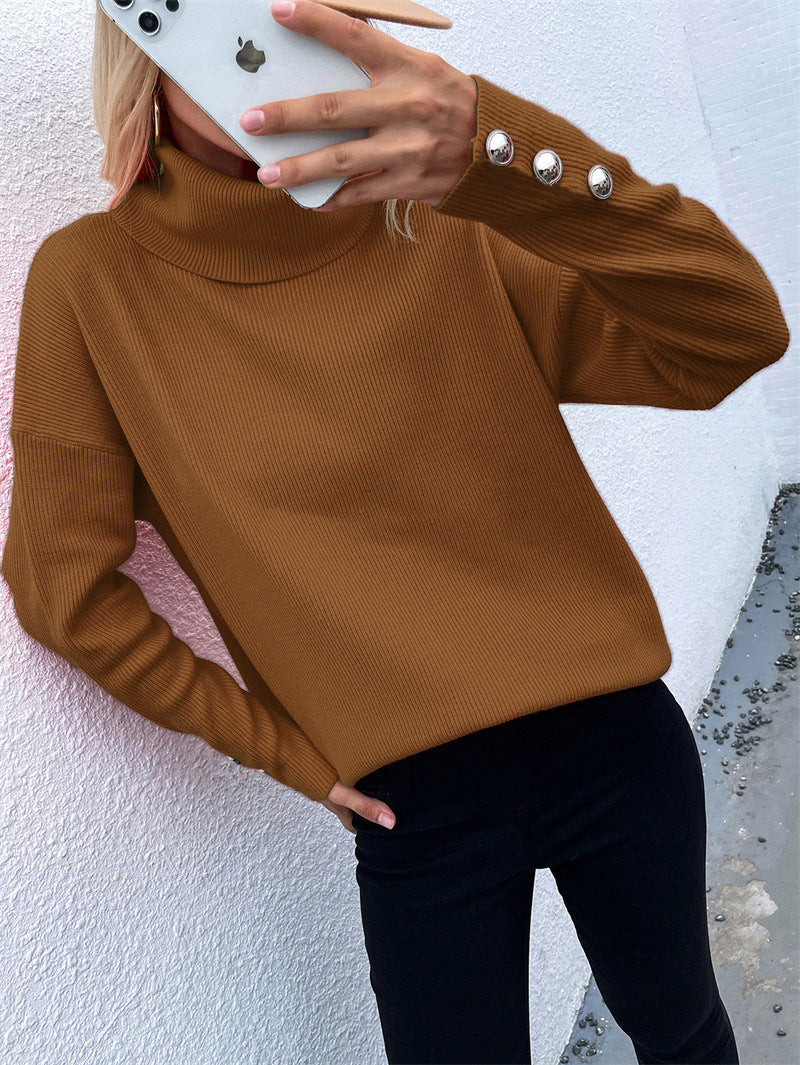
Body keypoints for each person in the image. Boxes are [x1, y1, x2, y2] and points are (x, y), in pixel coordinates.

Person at [3, 1, 789, 1062]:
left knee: (683, 1030)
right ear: (145, 55)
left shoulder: (443, 222)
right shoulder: (93, 285)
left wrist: (495, 146)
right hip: (413, 808)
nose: (258, 67)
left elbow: (733, 332)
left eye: (292, 24)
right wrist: (280, 748)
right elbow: (63, 590)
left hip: (614, 740)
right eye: (217, 33)